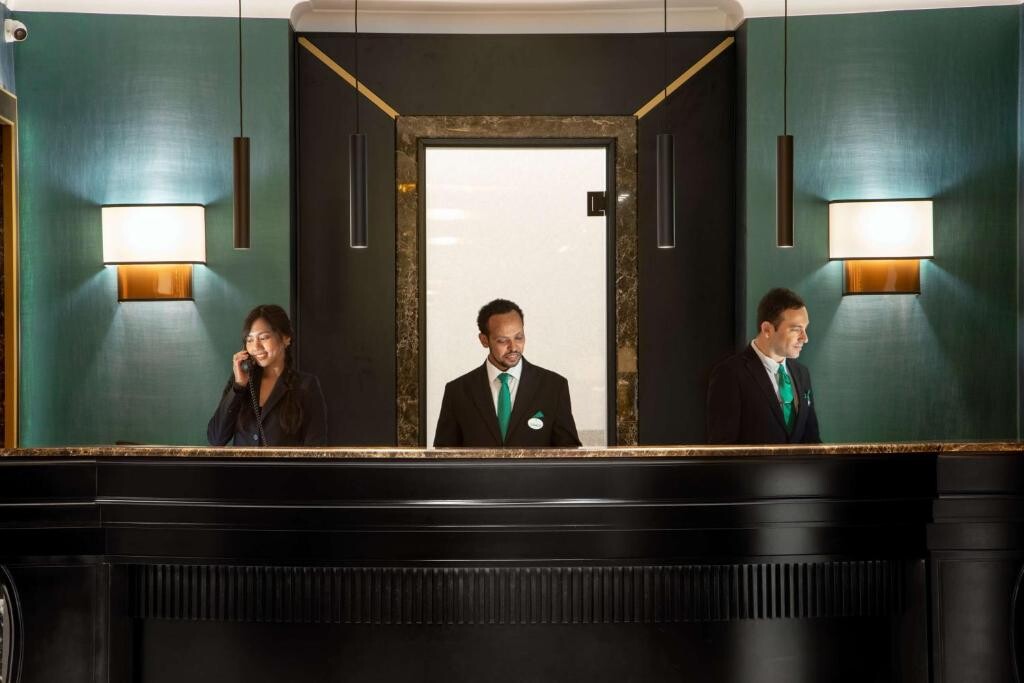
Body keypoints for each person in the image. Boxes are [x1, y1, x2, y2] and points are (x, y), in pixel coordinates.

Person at [434, 298, 581, 448]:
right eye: (503, 341)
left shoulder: (554, 387)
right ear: (484, 340)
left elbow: (569, 453)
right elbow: (443, 455)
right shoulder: (457, 392)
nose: (513, 347)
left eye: (519, 337)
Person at [706, 288, 821, 444]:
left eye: (805, 329)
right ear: (767, 329)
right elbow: (723, 448)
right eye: (796, 329)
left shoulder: (802, 373)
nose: (805, 338)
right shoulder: (729, 374)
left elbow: (812, 441)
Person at [207, 304, 327, 447]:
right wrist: (238, 387)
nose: (255, 347)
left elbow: (315, 448)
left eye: (263, 338)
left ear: (286, 338)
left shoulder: (306, 385)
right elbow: (216, 439)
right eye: (250, 340)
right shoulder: (240, 381)